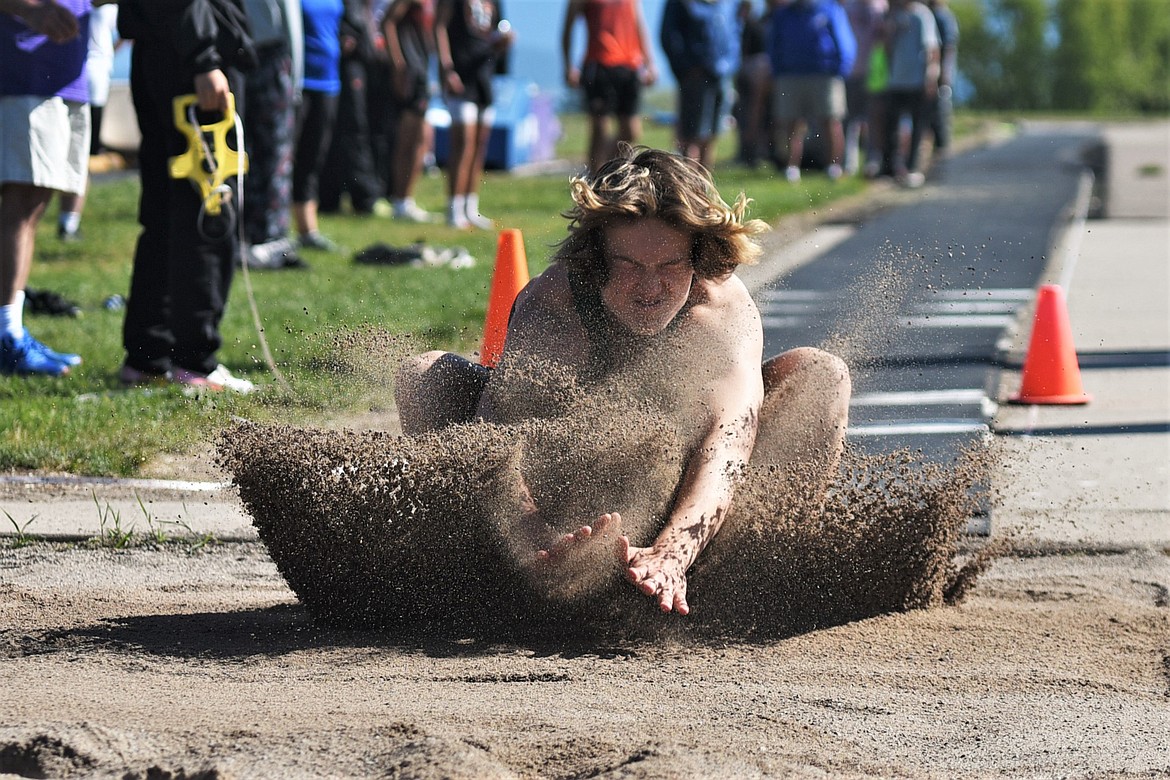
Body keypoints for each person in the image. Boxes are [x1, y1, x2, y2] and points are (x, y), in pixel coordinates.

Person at [395, 146, 851, 615]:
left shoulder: (722, 313)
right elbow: (493, 438)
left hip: (697, 514)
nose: (649, 288)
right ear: (597, 259)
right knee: (425, 376)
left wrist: (674, 552)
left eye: (669, 266)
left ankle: (769, 572)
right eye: (630, 266)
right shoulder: (555, 305)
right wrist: (533, 542)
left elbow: (729, 444)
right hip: (556, 506)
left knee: (821, 374)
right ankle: (472, 576)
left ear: (698, 256)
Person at [117, 0, 257, 392]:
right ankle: (193, 361)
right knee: (208, 211)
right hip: (192, 59)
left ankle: (148, 356)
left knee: (164, 213)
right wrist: (204, 59)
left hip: (163, 51)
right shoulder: (199, 55)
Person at [1, 0, 91, 377]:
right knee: (20, 204)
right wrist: (30, 9)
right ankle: (6, 338)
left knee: (34, 205)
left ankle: (12, 330)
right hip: (23, 73)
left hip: (64, 76)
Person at [239, 0, 308, 270]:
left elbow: (291, 23)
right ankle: (254, 231)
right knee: (251, 151)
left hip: (271, 58)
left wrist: (295, 82)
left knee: (274, 153)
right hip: (248, 54)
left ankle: (271, 234)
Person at [434, 0, 513, 230]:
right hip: (460, 72)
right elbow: (439, 27)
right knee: (463, 142)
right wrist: (446, 67)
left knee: (479, 144)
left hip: (483, 74)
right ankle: (453, 208)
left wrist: (503, 42)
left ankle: (471, 206)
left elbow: (494, 33)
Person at [560, 0, 657, 175]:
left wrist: (650, 63)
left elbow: (639, 25)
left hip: (630, 65)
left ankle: (605, 173)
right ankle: (595, 180)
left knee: (631, 131)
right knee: (600, 131)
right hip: (599, 65)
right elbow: (567, 29)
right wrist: (568, 66)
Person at [766, 0, 856, 183]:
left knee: (830, 121)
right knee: (791, 124)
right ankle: (791, 168)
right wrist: (778, 71)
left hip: (825, 75)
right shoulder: (783, 14)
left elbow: (844, 42)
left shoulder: (830, 10)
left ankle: (833, 166)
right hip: (791, 75)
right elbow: (773, 45)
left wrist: (840, 70)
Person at [56, 1, 117, 243]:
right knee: (79, 157)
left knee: (78, 155)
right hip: (88, 82)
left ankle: (68, 222)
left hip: (83, 80)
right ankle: (69, 221)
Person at [659, 0, 741, 170]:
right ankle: (685, 185)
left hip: (722, 75)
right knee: (692, 136)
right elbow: (669, 35)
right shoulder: (681, 3)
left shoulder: (727, 3)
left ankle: (704, 186)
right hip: (695, 77)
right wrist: (686, 68)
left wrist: (730, 64)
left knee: (712, 134)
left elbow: (734, 33)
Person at [292, 0, 345, 251]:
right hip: (298, 82)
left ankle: (307, 230)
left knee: (313, 157)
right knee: (286, 158)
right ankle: (271, 229)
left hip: (329, 82)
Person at [382, 0, 438, 222]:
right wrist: (398, 62)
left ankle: (406, 199)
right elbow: (387, 22)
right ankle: (400, 199)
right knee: (410, 137)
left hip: (425, 69)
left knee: (421, 139)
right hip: (411, 71)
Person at [879, 0, 938, 188]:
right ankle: (889, 169)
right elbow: (887, 48)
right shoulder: (894, 15)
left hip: (916, 81)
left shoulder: (922, 14)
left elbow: (931, 48)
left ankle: (913, 168)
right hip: (896, 80)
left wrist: (930, 77)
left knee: (917, 127)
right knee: (891, 127)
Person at [841, 0, 886, 176]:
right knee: (848, 120)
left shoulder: (880, 7)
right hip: (849, 72)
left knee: (873, 120)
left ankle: (872, 161)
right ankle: (848, 164)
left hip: (874, 73)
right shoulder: (847, 7)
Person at [925, 0, 957, 157]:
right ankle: (937, 147)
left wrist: (944, 72)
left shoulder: (942, 16)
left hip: (940, 73)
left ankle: (942, 147)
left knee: (940, 109)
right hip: (937, 72)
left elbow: (949, 47)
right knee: (934, 110)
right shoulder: (938, 15)